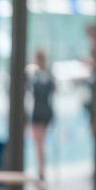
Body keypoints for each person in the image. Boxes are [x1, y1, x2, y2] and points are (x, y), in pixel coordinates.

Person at [27, 49, 55, 180]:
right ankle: (41, 169)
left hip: (39, 111)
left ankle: (41, 170)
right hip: (45, 110)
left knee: (39, 143)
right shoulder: (47, 74)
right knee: (40, 143)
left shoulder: (36, 75)